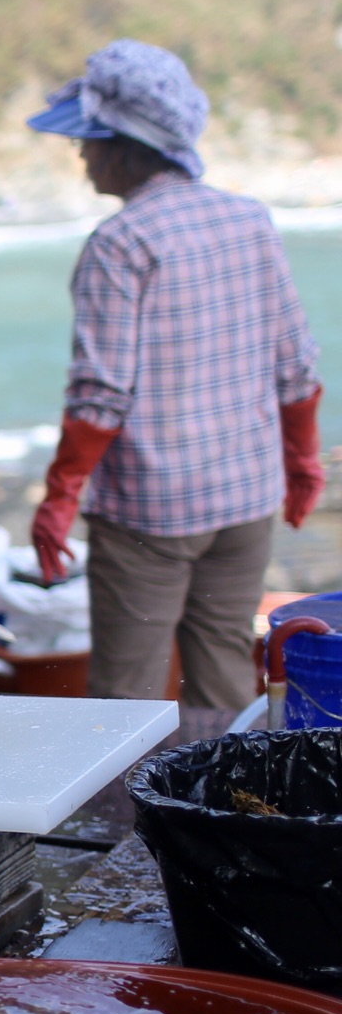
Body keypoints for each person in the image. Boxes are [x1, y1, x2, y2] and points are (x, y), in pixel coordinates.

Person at [26, 39, 322, 710]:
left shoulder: (121, 243)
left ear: (128, 147)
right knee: (224, 680)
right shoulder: (250, 220)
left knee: (126, 700)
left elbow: (100, 397)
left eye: (91, 140)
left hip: (149, 517)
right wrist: (303, 464)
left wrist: (59, 498)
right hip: (246, 500)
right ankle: (226, 811)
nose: (82, 155)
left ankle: (133, 816)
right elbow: (295, 365)